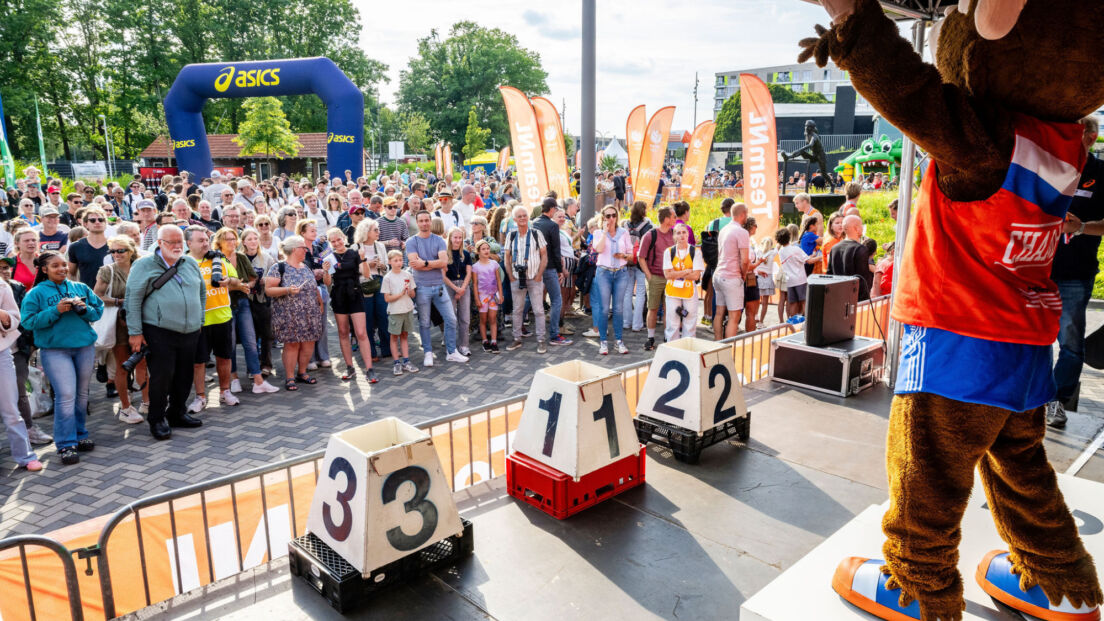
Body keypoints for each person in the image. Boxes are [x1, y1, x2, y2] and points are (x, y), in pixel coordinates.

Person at [20, 251, 104, 464]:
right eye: (55, 266)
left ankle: (80, 435)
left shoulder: (80, 287)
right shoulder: (36, 293)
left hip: (84, 346)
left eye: (64, 265)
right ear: (45, 269)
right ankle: (66, 444)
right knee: (66, 396)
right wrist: (56, 310)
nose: (62, 269)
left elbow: (97, 311)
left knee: (82, 395)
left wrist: (84, 309)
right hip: (55, 350)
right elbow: (28, 322)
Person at [125, 226, 205, 440]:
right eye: (172, 242)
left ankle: (177, 413)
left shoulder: (189, 263)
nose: (178, 246)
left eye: (181, 242)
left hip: (190, 330)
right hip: (159, 330)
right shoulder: (143, 265)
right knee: (162, 377)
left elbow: (201, 292)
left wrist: (200, 321)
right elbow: (132, 300)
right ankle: (157, 418)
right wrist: (135, 332)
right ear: (160, 243)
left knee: (184, 375)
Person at [186, 226, 246, 413]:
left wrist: (229, 282)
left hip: (222, 317)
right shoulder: (184, 263)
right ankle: (200, 397)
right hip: (199, 321)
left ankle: (225, 391)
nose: (205, 243)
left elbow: (238, 282)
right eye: (200, 240)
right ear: (189, 243)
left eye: (206, 239)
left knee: (224, 357)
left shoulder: (218, 258)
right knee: (198, 361)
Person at [214, 228, 279, 395]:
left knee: (250, 341)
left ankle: (258, 381)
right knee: (231, 343)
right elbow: (217, 284)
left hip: (243, 303)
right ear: (220, 241)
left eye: (233, 238)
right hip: (225, 304)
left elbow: (252, 279)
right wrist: (237, 285)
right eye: (227, 239)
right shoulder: (216, 259)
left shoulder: (241, 257)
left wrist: (245, 286)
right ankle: (234, 378)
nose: (231, 242)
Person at [93, 236, 148, 424]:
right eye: (113, 251)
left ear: (131, 250)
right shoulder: (107, 271)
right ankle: (125, 407)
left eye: (120, 250)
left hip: (142, 320)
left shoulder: (141, 267)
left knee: (143, 363)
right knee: (122, 365)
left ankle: (147, 402)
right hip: (118, 323)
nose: (116, 254)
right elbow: (96, 296)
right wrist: (119, 301)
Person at [407, 210, 467, 365]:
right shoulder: (412, 242)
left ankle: (451, 351)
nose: (425, 223)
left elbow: (444, 262)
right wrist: (434, 264)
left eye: (427, 220)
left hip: (439, 287)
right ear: (417, 222)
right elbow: (415, 265)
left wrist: (425, 263)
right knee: (424, 322)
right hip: (422, 288)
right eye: (421, 221)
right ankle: (428, 352)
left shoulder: (439, 240)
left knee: (451, 319)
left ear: (431, 221)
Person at [265, 236, 324, 390]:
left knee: (309, 342)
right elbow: (269, 290)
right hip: (288, 314)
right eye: (302, 247)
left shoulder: (305, 266)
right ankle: (290, 376)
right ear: (293, 249)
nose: (306, 250)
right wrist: (287, 290)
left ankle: (302, 372)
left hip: (310, 313)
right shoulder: (278, 268)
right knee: (292, 344)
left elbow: (313, 287)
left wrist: (319, 302)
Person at [0, 274, 42, 471]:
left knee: (11, 409)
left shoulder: (2, 286)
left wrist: (3, 315)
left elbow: (15, 320)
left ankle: (25, 456)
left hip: (1, 353)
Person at [326, 227, 377, 383]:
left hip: (355, 293)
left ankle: (370, 369)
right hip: (339, 295)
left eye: (339, 239)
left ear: (343, 238)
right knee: (343, 332)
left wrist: (363, 260)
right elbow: (328, 283)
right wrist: (326, 271)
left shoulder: (354, 253)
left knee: (361, 333)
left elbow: (366, 275)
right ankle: (349, 367)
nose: (337, 243)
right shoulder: (329, 257)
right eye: (333, 241)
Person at [504, 205, 548, 353]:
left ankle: (541, 340)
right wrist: (510, 276)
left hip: (534, 277)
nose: (523, 218)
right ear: (514, 219)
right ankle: (517, 339)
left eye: (525, 215)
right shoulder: (511, 235)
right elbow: (506, 258)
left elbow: (544, 256)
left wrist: (539, 275)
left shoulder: (536, 233)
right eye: (519, 216)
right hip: (516, 278)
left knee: (539, 310)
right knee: (517, 310)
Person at [591, 205, 633, 355]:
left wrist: (623, 255)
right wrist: (604, 232)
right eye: (607, 216)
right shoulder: (597, 232)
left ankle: (619, 341)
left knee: (618, 309)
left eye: (613, 215)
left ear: (617, 216)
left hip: (621, 273)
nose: (611, 219)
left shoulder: (624, 233)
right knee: (603, 309)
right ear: (602, 217)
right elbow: (599, 249)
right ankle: (603, 341)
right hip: (604, 273)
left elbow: (631, 254)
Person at [531, 197, 571, 346]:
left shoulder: (533, 223)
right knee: (556, 299)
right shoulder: (552, 226)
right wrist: (560, 270)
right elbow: (555, 250)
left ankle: (521, 328)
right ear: (552, 209)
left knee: (530, 298)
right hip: (548, 267)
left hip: (534, 267)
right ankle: (554, 335)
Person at [636, 205, 676, 350]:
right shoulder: (650, 235)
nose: (675, 219)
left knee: (669, 309)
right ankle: (650, 338)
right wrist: (649, 276)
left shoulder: (674, 234)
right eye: (673, 217)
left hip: (670, 277)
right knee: (652, 309)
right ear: (666, 219)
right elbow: (641, 257)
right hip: (655, 277)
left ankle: (667, 338)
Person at [241, 228, 277, 376]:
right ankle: (252, 367)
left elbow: (275, 278)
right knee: (250, 336)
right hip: (245, 301)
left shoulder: (267, 258)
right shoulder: (239, 258)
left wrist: (265, 280)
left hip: (263, 300)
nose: (253, 242)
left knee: (267, 334)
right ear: (243, 242)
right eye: (249, 239)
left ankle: (266, 364)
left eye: (255, 238)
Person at [355, 219, 391, 363]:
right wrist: (367, 264)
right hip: (365, 284)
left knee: (383, 316)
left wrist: (382, 266)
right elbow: (352, 270)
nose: (378, 232)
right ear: (366, 232)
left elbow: (387, 267)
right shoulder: (355, 247)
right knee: (368, 318)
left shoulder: (380, 246)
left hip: (380, 281)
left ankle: (387, 349)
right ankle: (371, 351)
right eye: (375, 230)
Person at [713, 203, 751, 340]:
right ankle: (729, 348)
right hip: (731, 277)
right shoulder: (742, 232)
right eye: (746, 214)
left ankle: (717, 344)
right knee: (734, 317)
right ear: (742, 215)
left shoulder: (724, 229)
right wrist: (743, 275)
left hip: (718, 274)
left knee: (719, 312)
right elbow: (745, 260)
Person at [662, 223, 704, 342]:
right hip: (673, 291)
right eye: (678, 233)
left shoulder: (695, 251)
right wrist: (686, 271)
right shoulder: (669, 252)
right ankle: (672, 348)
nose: (681, 235)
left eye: (684, 232)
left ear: (688, 234)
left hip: (689, 291)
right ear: (674, 236)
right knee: (672, 322)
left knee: (690, 321)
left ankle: (688, 347)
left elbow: (696, 275)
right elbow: (667, 275)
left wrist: (676, 273)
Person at [382, 250, 419, 375]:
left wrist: (409, 292)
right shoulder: (387, 278)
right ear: (390, 262)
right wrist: (400, 294)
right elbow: (387, 298)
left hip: (407, 309)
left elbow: (413, 294)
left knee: (404, 335)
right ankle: (396, 363)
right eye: (395, 260)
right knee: (394, 337)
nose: (399, 263)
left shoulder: (407, 275)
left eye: (400, 260)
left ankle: (406, 361)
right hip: (395, 311)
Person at [623, 201, 653, 336]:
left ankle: (626, 321)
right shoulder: (647, 226)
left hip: (627, 261)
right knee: (641, 293)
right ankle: (637, 324)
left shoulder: (625, 225)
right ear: (643, 210)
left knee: (627, 292)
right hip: (641, 263)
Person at [827, 215, 874, 301]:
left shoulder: (834, 248)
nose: (863, 228)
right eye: (861, 225)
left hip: (838, 297)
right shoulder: (860, 249)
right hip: (855, 299)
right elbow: (863, 279)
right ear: (856, 228)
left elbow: (829, 274)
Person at [444, 227, 474, 357]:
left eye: (460, 237)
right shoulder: (444, 254)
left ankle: (464, 345)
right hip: (450, 286)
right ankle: (450, 347)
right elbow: (443, 276)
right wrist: (456, 289)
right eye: (455, 237)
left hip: (464, 286)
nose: (457, 240)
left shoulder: (465, 254)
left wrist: (462, 288)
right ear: (450, 238)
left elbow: (469, 273)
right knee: (450, 318)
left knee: (465, 318)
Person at [776, 228, 819, 317]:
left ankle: (793, 323)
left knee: (793, 303)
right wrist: (820, 257)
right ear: (789, 236)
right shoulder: (795, 249)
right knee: (804, 301)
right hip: (800, 280)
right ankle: (807, 323)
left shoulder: (781, 251)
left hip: (790, 281)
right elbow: (809, 261)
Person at [471, 239, 503, 353]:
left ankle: (494, 341)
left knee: (493, 318)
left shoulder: (494, 264)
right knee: (483, 319)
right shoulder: (475, 267)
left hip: (493, 296)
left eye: (488, 248)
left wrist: (501, 294)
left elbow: (499, 280)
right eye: (483, 249)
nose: (486, 251)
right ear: (478, 251)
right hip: (482, 297)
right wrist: (476, 298)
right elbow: (474, 283)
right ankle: (485, 341)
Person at [68, 207, 110, 288]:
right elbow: (71, 274)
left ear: (105, 223)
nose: (97, 222)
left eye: (101, 220)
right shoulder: (75, 246)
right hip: (85, 295)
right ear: (85, 224)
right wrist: (75, 292)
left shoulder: (114, 245)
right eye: (93, 220)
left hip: (111, 296)